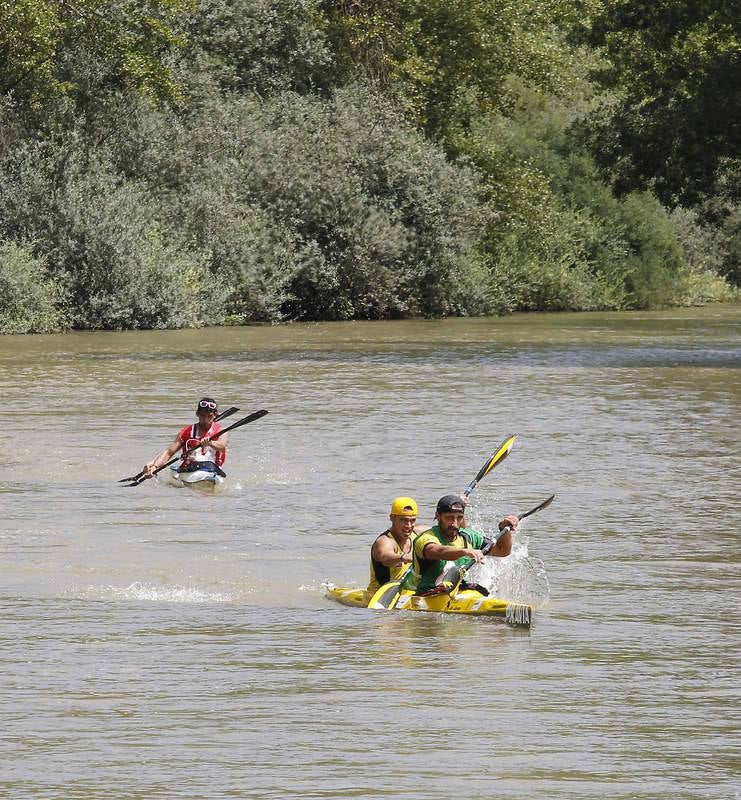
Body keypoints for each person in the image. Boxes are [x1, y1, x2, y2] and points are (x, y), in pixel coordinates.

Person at [402, 494, 518, 595]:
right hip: (419, 593)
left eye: (459, 518)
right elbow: (439, 552)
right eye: (449, 518)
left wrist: (504, 529)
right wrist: (465, 551)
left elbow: (503, 551)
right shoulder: (426, 538)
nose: (455, 523)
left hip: (452, 590)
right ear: (437, 516)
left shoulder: (469, 537)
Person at [142, 397, 229, 479]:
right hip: (189, 469)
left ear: (215, 415)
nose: (205, 419)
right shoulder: (186, 431)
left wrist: (211, 443)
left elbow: (221, 445)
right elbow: (169, 452)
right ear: (197, 414)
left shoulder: (221, 431)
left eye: (209, 416)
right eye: (202, 416)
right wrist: (155, 466)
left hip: (212, 470)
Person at [366, 497, 422, 598]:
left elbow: (443, 527)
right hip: (380, 597)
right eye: (403, 520)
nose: (408, 526)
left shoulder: (417, 534)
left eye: (412, 521)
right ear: (392, 518)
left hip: (406, 593)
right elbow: (385, 557)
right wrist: (403, 557)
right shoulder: (384, 542)